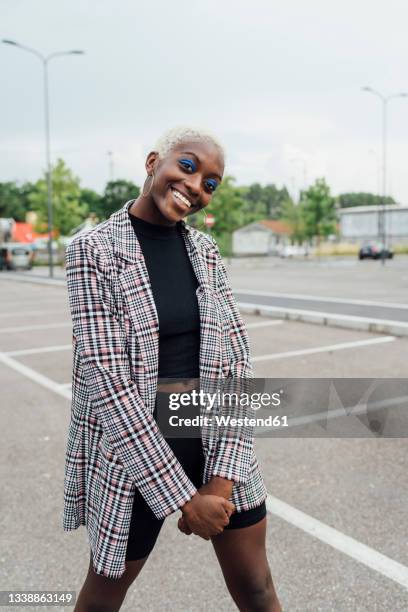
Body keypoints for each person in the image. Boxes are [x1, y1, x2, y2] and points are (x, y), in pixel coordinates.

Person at [63, 126, 282, 611]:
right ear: (152, 163)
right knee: (104, 594)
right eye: (187, 166)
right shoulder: (92, 250)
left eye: (211, 182)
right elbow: (109, 380)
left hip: (217, 440)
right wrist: (185, 498)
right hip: (134, 453)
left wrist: (220, 482)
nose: (196, 185)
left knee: (257, 588)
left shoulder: (206, 252)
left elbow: (234, 359)